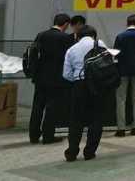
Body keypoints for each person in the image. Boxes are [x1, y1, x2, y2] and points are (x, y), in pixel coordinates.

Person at [62, 25, 107, 162]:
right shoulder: (100, 44)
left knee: (76, 119)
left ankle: (72, 152)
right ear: (94, 35)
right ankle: (89, 152)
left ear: (77, 36)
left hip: (79, 85)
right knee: (96, 119)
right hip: (97, 85)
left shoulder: (72, 49)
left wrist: (77, 79)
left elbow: (66, 74)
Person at [29, 13, 74, 145]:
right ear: (65, 24)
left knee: (37, 106)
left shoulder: (41, 35)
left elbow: (33, 54)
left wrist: (34, 73)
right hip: (56, 78)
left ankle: (33, 135)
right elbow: (68, 58)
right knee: (51, 108)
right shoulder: (65, 38)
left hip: (40, 77)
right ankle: (48, 136)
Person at [113, 14, 135, 137]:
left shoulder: (120, 36)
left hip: (122, 70)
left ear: (127, 23)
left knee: (121, 99)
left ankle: (121, 128)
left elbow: (116, 53)